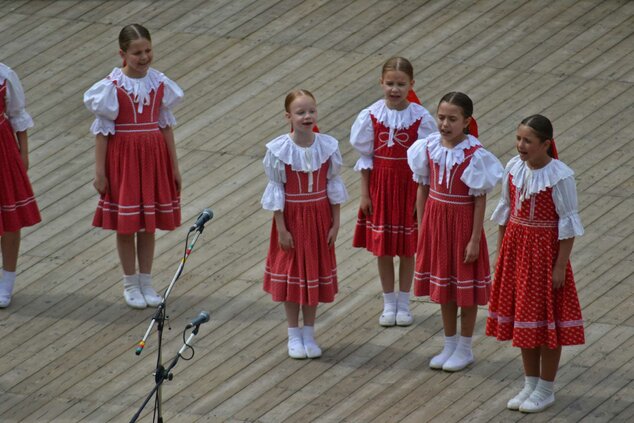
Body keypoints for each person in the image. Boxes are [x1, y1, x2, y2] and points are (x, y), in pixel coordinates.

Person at [486, 114, 584, 413]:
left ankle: (546, 387)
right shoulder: (514, 168)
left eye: (528, 141)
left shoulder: (560, 176)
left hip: (544, 257)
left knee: (547, 321)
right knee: (524, 319)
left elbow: (568, 226)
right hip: (518, 253)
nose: (521, 145)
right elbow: (505, 213)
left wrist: (559, 267)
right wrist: (502, 253)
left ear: (546, 144)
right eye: (518, 138)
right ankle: (530, 382)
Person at [84, 24, 183, 309]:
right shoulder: (112, 87)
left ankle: (147, 282)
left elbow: (165, 128)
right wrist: (100, 173)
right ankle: (130, 282)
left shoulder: (160, 84)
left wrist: (174, 168)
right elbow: (102, 133)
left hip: (153, 158)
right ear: (123, 54)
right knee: (127, 226)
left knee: (147, 225)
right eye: (137, 52)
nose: (144, 57)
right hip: (124, 160)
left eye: (148, 50)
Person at [408, 92, 503, 371]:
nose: (445, 124)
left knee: (465, 290)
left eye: (452, 119)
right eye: (441, 117)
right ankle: (449, 344)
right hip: (437, 223)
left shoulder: (475, 155)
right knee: (444, 286)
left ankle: (464, 347)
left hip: (462, 225)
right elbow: (422, 187)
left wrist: (474, 239)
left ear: (466, 121)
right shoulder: (428, 147)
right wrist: (423, 224)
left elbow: (479, 198)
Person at [350, 57, 436, 327]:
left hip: (408, 188)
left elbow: (425, 164)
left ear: (412, 84)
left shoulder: (420, 118)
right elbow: (366, 158)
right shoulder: (371, 115)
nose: (395, 89)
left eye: (401, 84)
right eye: (390, 84)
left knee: (408, 248)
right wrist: (365, 194)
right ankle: (388, 302)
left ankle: (404, 301)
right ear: (381, 83)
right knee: (384, 249)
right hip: (381, 188)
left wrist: (420, 198)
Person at [261, 89, 347, 359]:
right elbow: (276, 192)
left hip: (319, 218)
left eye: (311, 111)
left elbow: (333, 187)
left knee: (312, 274)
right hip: (293, 219)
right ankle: (293, 334)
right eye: (300, 112)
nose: (307, 116)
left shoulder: (327, 146)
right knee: (293, 275)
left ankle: (309, 333)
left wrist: (335, 223)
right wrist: (282, 228)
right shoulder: (279, 150)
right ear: (288, 116)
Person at [0, 63, 41, 308]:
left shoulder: (4, 75)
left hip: (2, 150)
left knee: (9, 216)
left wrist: (23, 154)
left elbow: (17, 114)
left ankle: (7, 280)